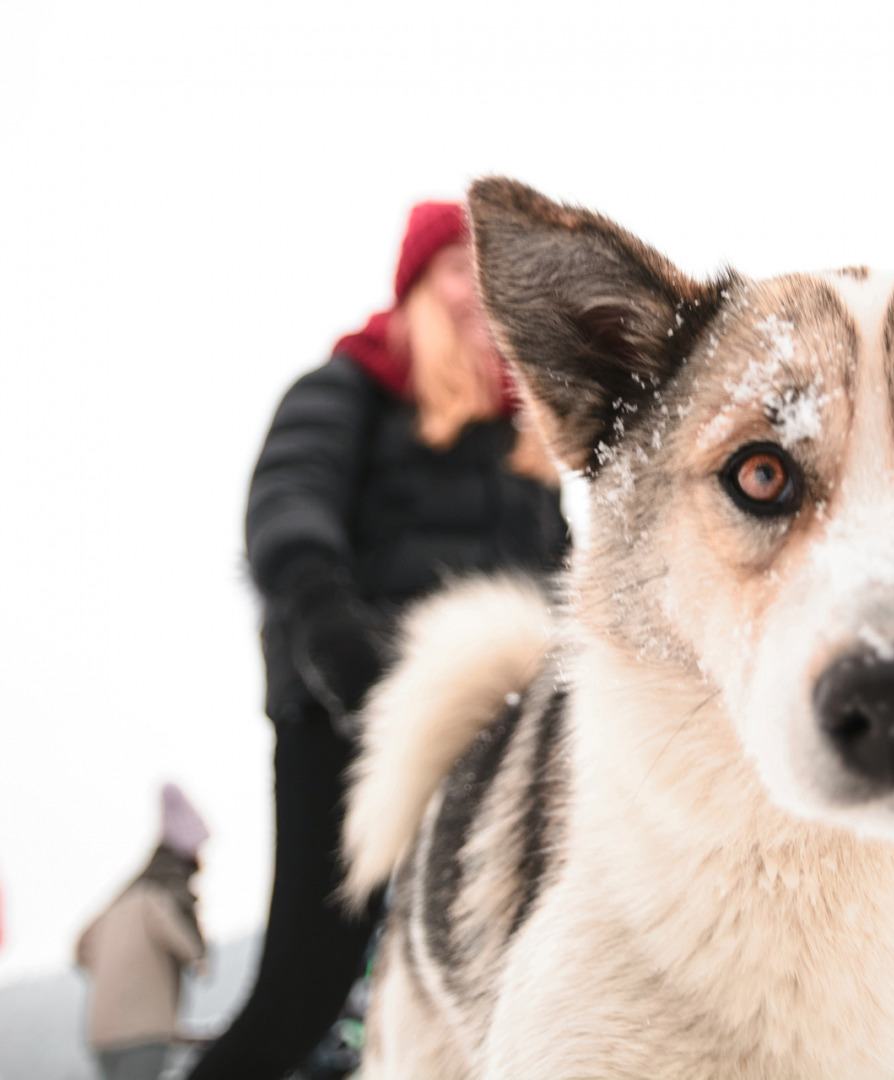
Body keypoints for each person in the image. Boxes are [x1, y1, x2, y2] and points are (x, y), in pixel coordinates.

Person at [186, 201, 568, 1080]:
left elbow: (561, 577)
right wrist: (329, 632)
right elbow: (288, 508)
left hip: (497, 730)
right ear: (417, 286)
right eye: (457, 271)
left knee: (511, 972)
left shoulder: (524, 439)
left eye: (490, 277)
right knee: (305, 991)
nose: (478, 294)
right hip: (352, 709)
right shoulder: (347, 389)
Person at [76, 784, 210, 1080]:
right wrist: (199, 959)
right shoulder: (155, 899)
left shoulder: (120, 902)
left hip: (101, 1033)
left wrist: (112, 969)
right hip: (144, 1033)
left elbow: (80, 943)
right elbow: (186, 945)